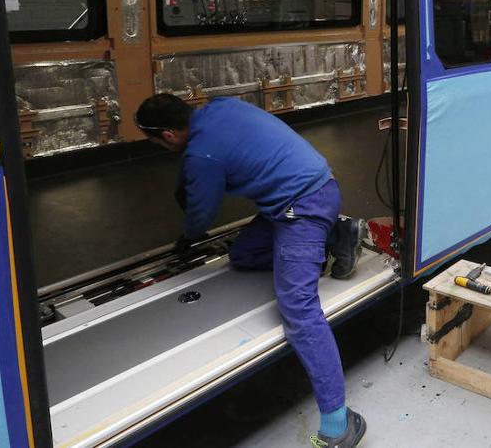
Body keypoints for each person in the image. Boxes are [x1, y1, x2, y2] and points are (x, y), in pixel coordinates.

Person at [135, 93, 367, 448]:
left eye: (156, 142)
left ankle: (339, 423)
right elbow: (207, 156)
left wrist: (187, 236)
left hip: (301, 209)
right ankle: (336, 235)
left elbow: (201, 213)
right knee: (242, 255)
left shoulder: (201, 157)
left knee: (298, 308)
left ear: (168, 135)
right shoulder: (221, 105)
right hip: (309, 191)